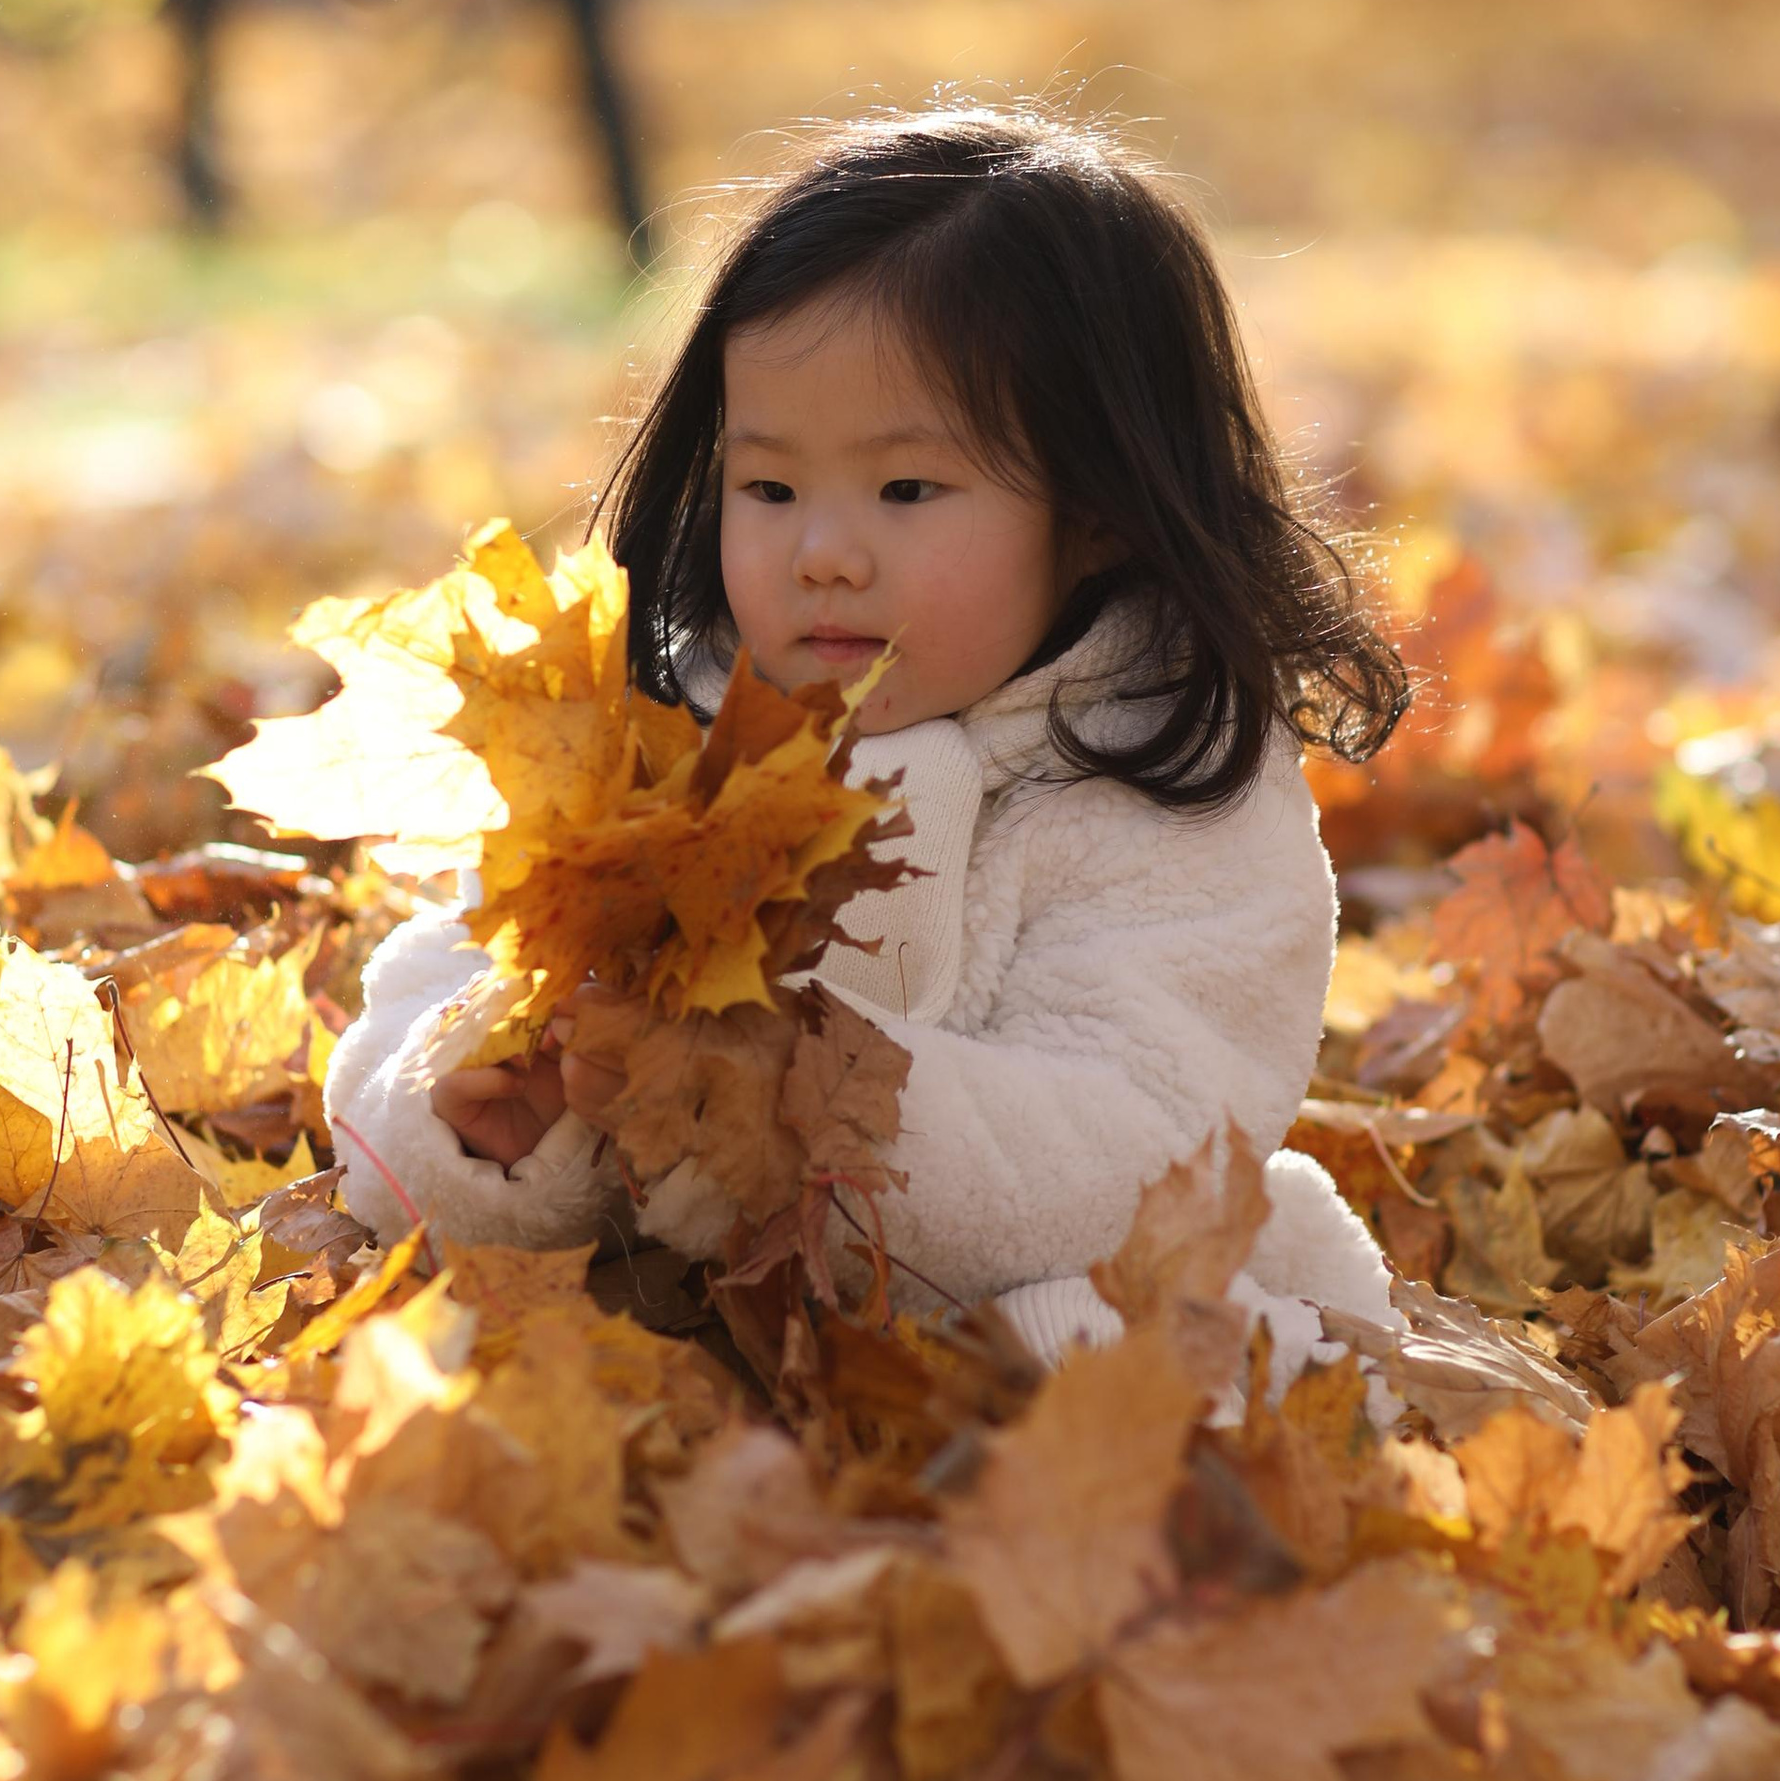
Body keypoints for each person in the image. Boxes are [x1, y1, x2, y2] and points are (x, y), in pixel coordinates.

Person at [326, 109, 1410, 1385]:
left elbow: (1144, 1135)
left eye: (905, 491)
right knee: (477, 1355)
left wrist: (798, 1104)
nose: (822, 553)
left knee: (1126, 1346)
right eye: (770, 489)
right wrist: (502, 1129)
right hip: (686, 1332)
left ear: (1098, 511)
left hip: (1052, 1291)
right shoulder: (658, 732)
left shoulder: (1163, 784)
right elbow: (435, 989)